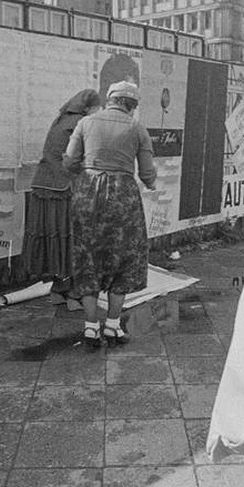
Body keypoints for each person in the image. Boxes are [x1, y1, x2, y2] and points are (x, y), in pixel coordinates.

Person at [63, 81, 156, 346]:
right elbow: (147, 172)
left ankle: (91, 327)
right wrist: (151, 183)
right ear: (132, 105)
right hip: (122, 196)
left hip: (87, 193)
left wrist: (87, 171)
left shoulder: (85, 123)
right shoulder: (137, 128)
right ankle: (113, 326)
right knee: (124, 257)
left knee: (87, 257)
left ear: (109, 100)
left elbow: (69, 161)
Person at [22, 89, 101, 293]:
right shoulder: (81, 122)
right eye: (97, 108)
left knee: (53, 238)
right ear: (88, 108)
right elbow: (81, 157)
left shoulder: (61, 120)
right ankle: (70, 289)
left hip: (43, 184)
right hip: (62, 187)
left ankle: (59, 287)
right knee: (69, 237)